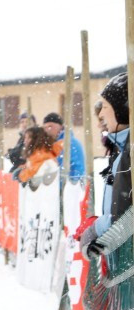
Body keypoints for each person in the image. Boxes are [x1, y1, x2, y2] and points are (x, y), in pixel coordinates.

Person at [78, 73, 131, 259]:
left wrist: (98, 229)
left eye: (105, 107)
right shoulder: (122, 147)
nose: (101, 114)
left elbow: (127, 216)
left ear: (122, 110)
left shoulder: (130, 150)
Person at [42, 112, 85, 182]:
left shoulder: (69, 143)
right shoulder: (53, 145)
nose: (47, 130)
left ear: (61, 127)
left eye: (50, 126)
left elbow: (74, 170)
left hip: (70, 187)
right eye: (45, 128)